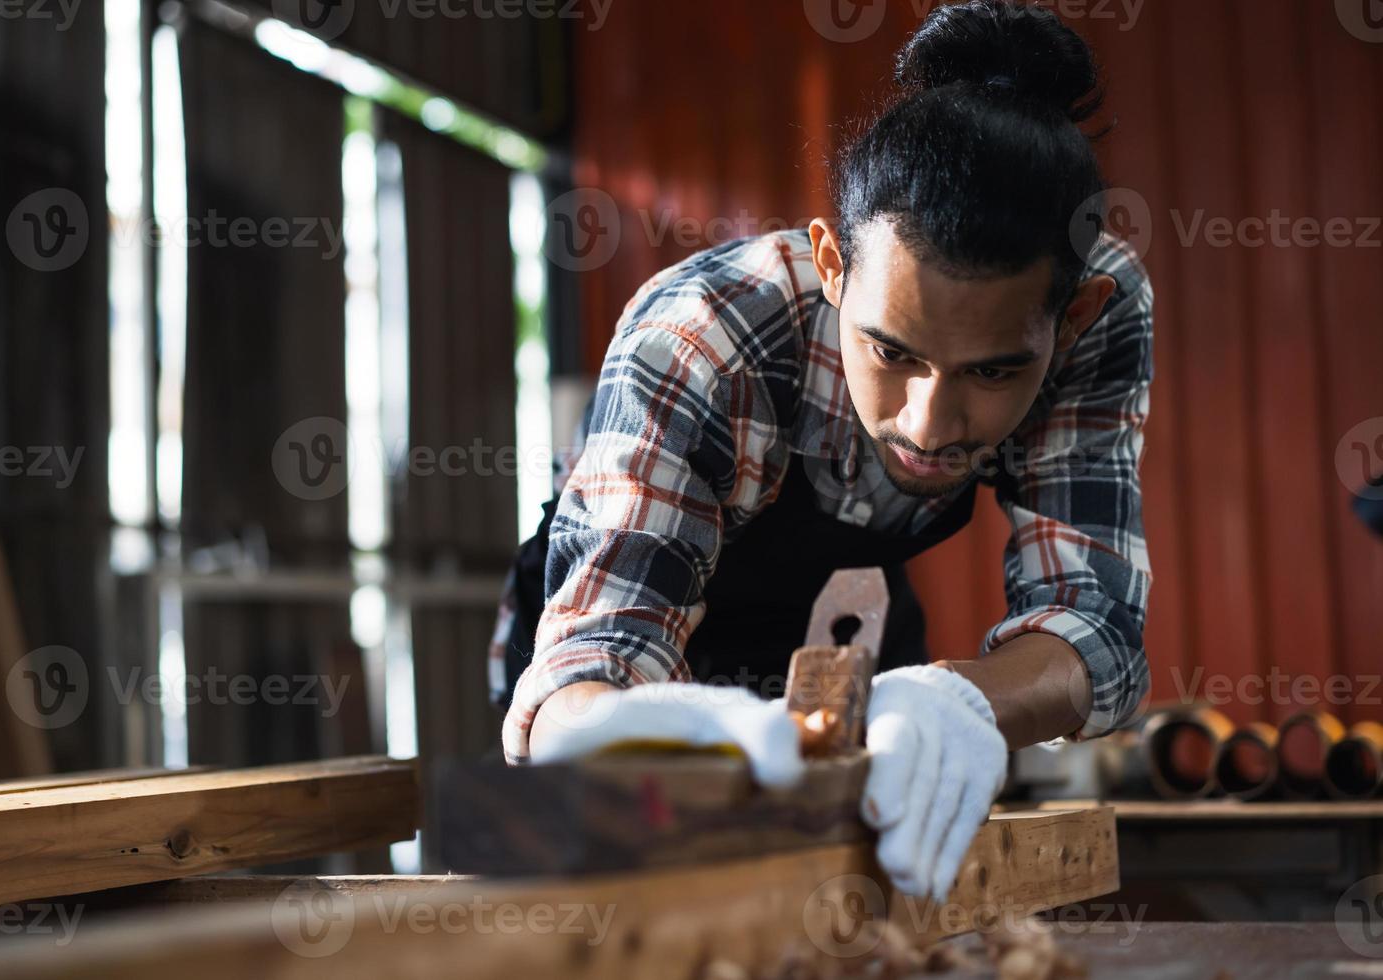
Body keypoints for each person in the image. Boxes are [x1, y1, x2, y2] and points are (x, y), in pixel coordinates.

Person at [491, 0, 1153, 902]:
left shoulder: (1098, 309)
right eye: (892, 353)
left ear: (1067, 323)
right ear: (832, 265)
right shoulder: (702, 334)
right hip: (645, 662)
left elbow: (1098, 626)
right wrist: (684, 738)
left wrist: (957, 700)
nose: (929, 423)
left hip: (858, 634)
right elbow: (579, 681)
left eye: (994, 371)